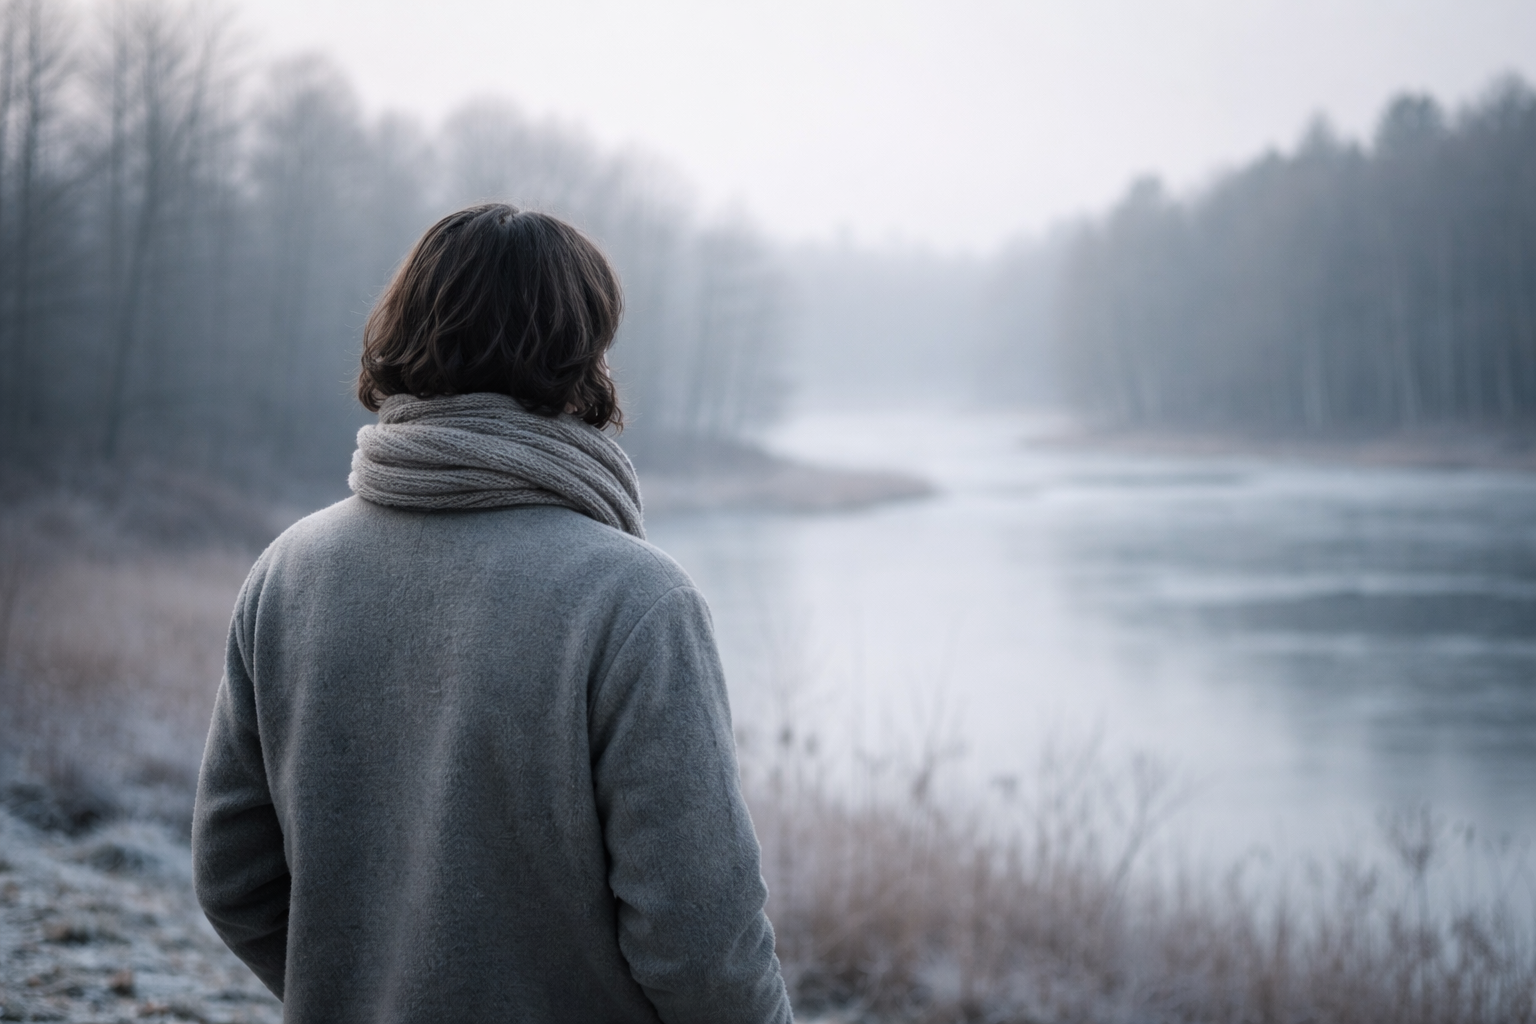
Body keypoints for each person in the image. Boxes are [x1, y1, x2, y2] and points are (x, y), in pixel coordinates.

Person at [191, 204, 793, 1024]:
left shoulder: (288, 572)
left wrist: (361, 989)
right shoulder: (636, 601)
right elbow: (703, 950)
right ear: (581, 357)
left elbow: (233, 878)